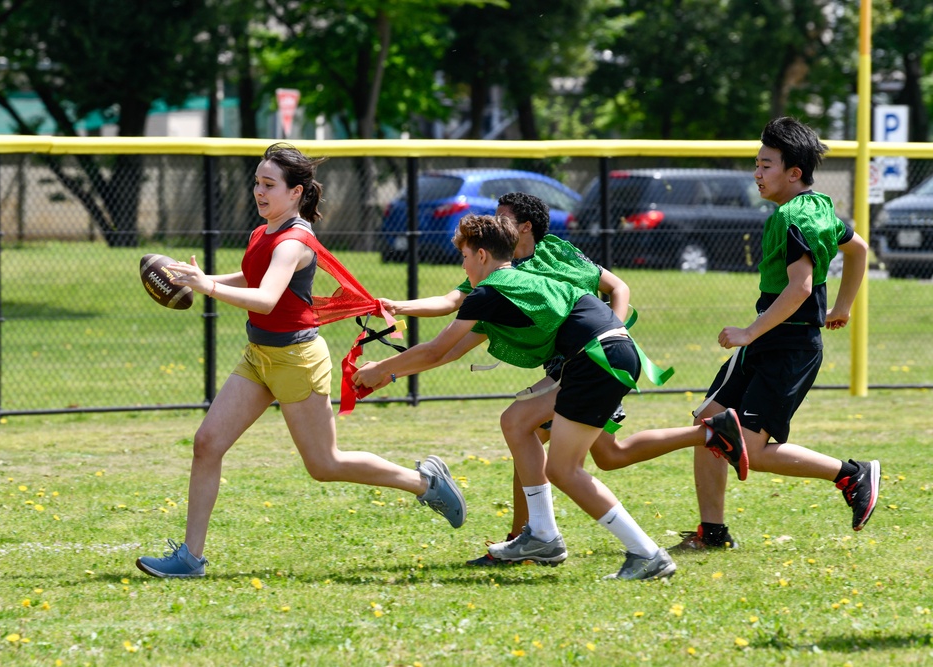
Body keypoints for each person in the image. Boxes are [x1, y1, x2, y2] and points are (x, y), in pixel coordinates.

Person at [136, 143, 465, 578]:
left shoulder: (295, 241)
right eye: (256, 182)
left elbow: (267, 298)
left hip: (297, 360)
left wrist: (207, 287)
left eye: (269, 185)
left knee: (325, 465)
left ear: (296, 193)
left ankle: (426, 483)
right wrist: (200, 280)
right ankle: (190, 558)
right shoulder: (264, 232)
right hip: (260, 356)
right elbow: (253, 277)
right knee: (207, 444)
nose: (259, 191)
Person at [354, 214, 735, 580]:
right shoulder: (515, 282)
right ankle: (542, 536)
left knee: (564, 469)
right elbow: (449, 349)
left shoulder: (490, 291)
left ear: (482, 255)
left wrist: (380, 371)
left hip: (596, 357)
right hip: (605, 352)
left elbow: (438, 350)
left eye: (465, 256)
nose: (464, 263)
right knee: (517, 421)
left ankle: (647, 554)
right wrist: (390, 367)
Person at [586, 117, 879, 548]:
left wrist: (748, 331)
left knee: (753, 451)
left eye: (765, 166)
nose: (756, 174)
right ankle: (713, 532)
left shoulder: (798, 217)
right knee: (711, 426)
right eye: (756, 165)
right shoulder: (815, 206)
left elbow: (799, 287)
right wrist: (843, 306)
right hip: (772, 339)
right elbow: (859, 249)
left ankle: (852, 475)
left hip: (789, 345)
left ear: (793, 173)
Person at [379, 192, 633, 567]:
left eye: (502, 218)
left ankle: (545, 541)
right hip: (576, 363)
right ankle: (533, 538)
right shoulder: (498, 275)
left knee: (557, 453)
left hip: (594, 359)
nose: (494, 223)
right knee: (537, 435)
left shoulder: (543, 260)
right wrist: (399, 307)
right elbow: (452, 306)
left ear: (524, 227)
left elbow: (618, 287)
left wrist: (613, 330)